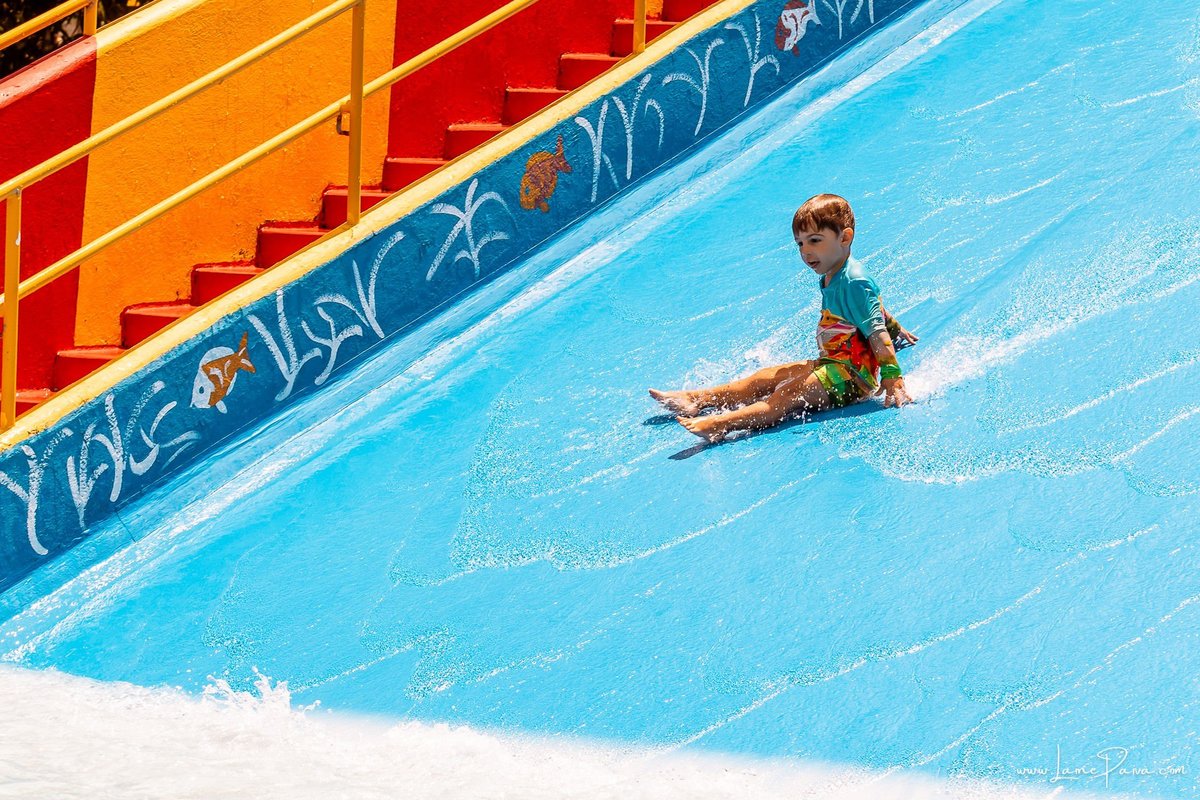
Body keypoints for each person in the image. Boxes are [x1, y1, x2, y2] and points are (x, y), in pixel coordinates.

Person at [649, 194, 918, 443]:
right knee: (763, 378)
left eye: (814, 240)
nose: (806, 251)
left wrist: (893, 376)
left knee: (787, 394)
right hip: (833, 364)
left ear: (844, 237)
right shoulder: (832, 272)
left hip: (852, 379)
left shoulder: (854, 281)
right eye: (800, 243)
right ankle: (696, 399)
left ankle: (722, 424)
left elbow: (875, 330)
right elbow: (872, 312)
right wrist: (897, 328)